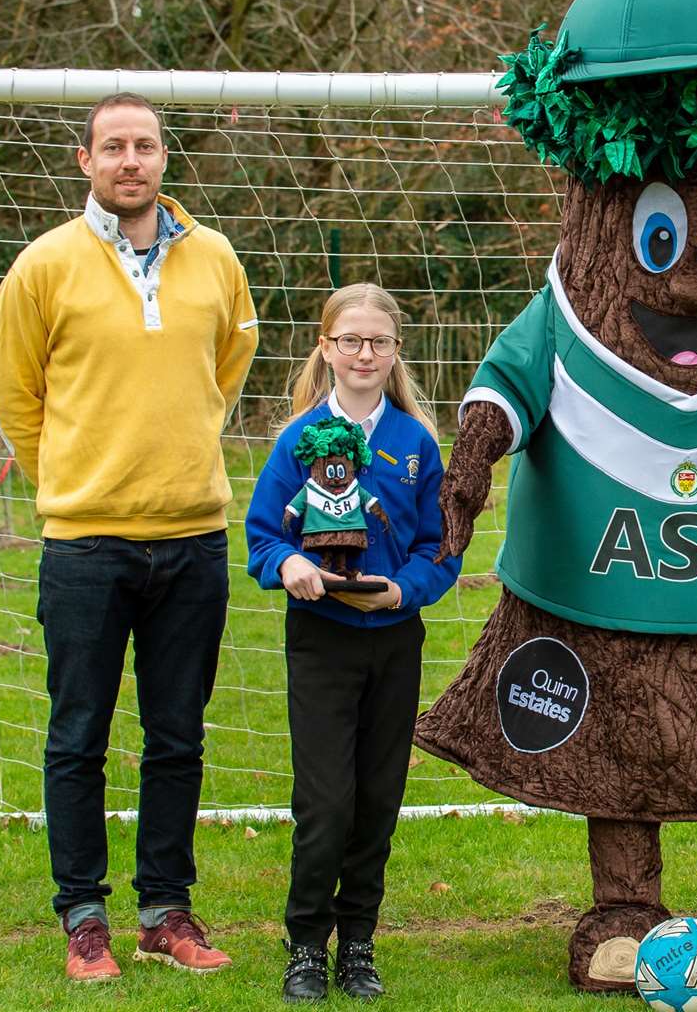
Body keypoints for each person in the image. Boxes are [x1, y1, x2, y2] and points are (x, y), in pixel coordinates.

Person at [0, 93, 259, 981]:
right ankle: (84, 916)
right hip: (85, 546)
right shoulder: (43, 266)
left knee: (177, 736)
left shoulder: (216, 258)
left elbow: (227, 367)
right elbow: (10, 393)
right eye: (113, 147)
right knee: (79, 736)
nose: (129, 160)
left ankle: (166, 911)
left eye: (144, 145)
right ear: (85, 161)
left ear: (163, 158)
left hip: (192, 538)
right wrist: (70, 475)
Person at [245, 282, 460, 1003]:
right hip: (322, 641)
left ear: (396, 351)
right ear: (326, 348)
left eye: (378, 342)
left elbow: (440, 547)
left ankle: (358, 943)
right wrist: (294, 565)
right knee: (326, 802)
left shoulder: (415, 443)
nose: (364, 354)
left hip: (394, 640)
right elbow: (262, 537)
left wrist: (408, 588)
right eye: (350, 341)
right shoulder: (297, 439)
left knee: (376, 800)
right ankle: (306, 943)